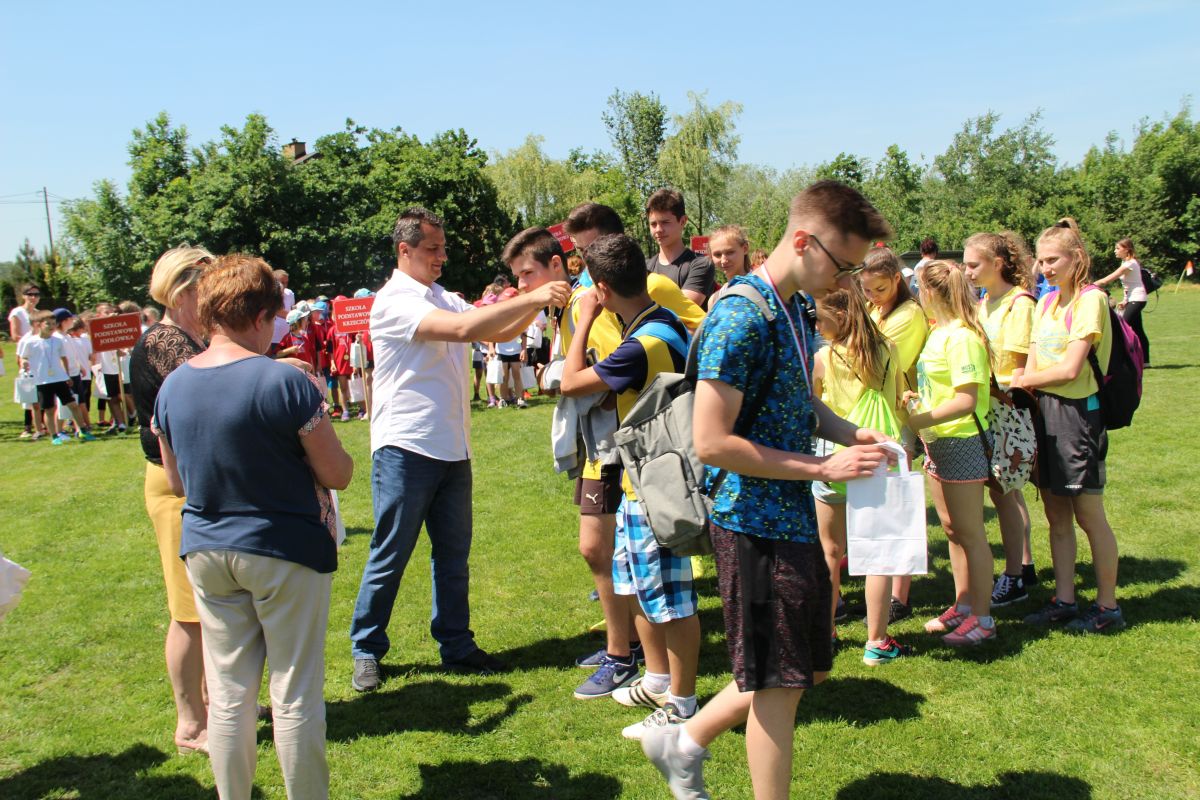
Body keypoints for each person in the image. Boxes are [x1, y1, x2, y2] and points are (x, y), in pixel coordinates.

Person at [640, 180, 895, 800]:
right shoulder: (740, 316)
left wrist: (851, 432)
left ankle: (683, 741)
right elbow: (711, 442)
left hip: (789, 516)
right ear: (803, 242)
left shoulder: (792, 308)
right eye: (842, 265)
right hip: (752, 522)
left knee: (801, 670)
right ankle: (687, 746)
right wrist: (823, 470)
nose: (847, 281)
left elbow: (795, 401)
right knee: (779, 684)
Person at [349, 207, 570, 692]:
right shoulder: (393, 301)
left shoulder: (442, 296)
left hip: (452, 445)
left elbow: (497, 330)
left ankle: (456, 643)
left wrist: (536, 302)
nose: (442, 257)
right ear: (404, 250)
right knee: (391, 552)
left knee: (453, 556)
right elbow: (464, 330)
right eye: (433, 249)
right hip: (406, 445)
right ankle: (366, 648)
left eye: (443, 248)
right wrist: (536, 295)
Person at [155, 254, 352, 800]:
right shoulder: (284, 381)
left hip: (207, 549)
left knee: (228, 694)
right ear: (262, 315)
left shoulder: (173, 386)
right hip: (284, 548)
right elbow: (338, 472)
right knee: (295, 692)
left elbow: (176, 480)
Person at [550, 204, 704, 700]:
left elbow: (570, 382)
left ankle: (679, 699)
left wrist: (585, 320)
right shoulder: (661, 321)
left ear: (603, 289)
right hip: (649, 475)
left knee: (669, 599)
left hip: (657, 482)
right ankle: (656, 679)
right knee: (640, 583)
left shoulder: (641, 344)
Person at [1010, 218, 1124, 634]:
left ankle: (1107, 607)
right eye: (1041, 261)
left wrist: (1023, 380)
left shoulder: (1091, 300)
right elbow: (1035, 359)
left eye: (1053, 260)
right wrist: (1024, 384)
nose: (1045, 268)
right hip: (1045, 410)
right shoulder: (1046, 302)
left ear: (1077, 258)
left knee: (1089, 514)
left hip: (1078, 414)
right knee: (1056, 514)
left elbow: (1071, 368)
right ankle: (1064, 600)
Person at [129, 246, 214, 755]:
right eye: (206, 286)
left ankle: (213, 701)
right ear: (182, 290)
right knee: (188, 610)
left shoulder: (187, 337)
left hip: (191, 478)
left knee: (208, 604)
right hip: (174, 484)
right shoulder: (165, 340)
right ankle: (191, 725)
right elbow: (210, 390)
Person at [811, 286, 909, 664]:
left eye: (820, 318)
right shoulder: (888, 350)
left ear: (839, 317)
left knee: (829, 550)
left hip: (833, 460)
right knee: (878, 550)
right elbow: (898, 400)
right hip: (876, 457)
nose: (816, 326)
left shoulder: (823, 358)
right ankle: (877, 641)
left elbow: (815, 409)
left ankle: (825, 634)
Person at [907, 260, 997, 646]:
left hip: (961, 440)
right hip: (938, 441)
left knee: (971, 534)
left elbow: (966, 400)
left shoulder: (962, 337)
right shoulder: (938, 331)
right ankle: (963, 605)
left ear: (930, 291)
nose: (916, 294)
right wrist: (918, 400)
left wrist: (919, 418)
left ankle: (983, 619)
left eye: (919, 288)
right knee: (951, 529)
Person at [963, 232, 1039, 604]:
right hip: (987, 409)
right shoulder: (984, 302)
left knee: (1005, 493)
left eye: (973, 265)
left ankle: (1014, 577)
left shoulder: (1019, 304)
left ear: (997, 264)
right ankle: (1023, 565)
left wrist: (992, 387)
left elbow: (1020, 370)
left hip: (1007, 412)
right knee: (1005, 493)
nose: (967, 272)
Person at [858, 246, 928, 620]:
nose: (873, 297)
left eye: (880, 289)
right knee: (879, 508)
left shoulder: (909, 315)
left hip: (898, 419)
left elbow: (874, 357)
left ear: (897, 280)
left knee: (897, 509)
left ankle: (899, 596)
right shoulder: (877, 311)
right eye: (867, 290)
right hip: (877, 416)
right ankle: (884, 591)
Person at [19, 310, 94, 445]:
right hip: (42, 380)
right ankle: (54, 436)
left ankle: (83, 431)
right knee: (49, 409)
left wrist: (67, 375)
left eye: (54, 323)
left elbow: (63, 358)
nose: (52, 326)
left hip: (59, 378)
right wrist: (24, 363)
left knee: (73, 405)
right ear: (39, 325)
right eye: (48, 323)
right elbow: (23, 357)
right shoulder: (30, 342)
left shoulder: (58, 341)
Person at [645, 188, 715, 306]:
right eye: (653, 224)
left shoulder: (701, 264)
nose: (658, 230)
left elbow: (682, 309)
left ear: (683, 221)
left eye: (665, 222)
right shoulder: (645, 267)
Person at [1096, 238, 1150, 366]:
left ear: (1126, 250)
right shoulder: (1125, 263)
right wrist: (1125, 300)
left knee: (1121, 328)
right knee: (1138, 330)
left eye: (1118, 248)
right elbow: (1128, 285)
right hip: (1132, 299)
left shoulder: (1130, 264)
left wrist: (1090, 285)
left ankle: (1122, 360)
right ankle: (1145, 362)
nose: (1115, 251)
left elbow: (1108, 279)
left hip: (1137, 298)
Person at [10, 284, 43, 438]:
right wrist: (30, 340)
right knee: (28, 388)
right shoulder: (17, 312)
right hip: (25, 352)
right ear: (24, 296)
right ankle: (28, 426)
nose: (33, 297)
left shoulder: (39, 313)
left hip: (39, 353)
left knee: (41, 388)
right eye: (30, 294)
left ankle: (41, 423)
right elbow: (14, 335)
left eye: (36, 294)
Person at [707, 224, 752, 309]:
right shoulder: (714, 299)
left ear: (745, 249)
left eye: (730, 252)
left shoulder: (760, 287)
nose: (723, 260)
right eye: (717, 255)